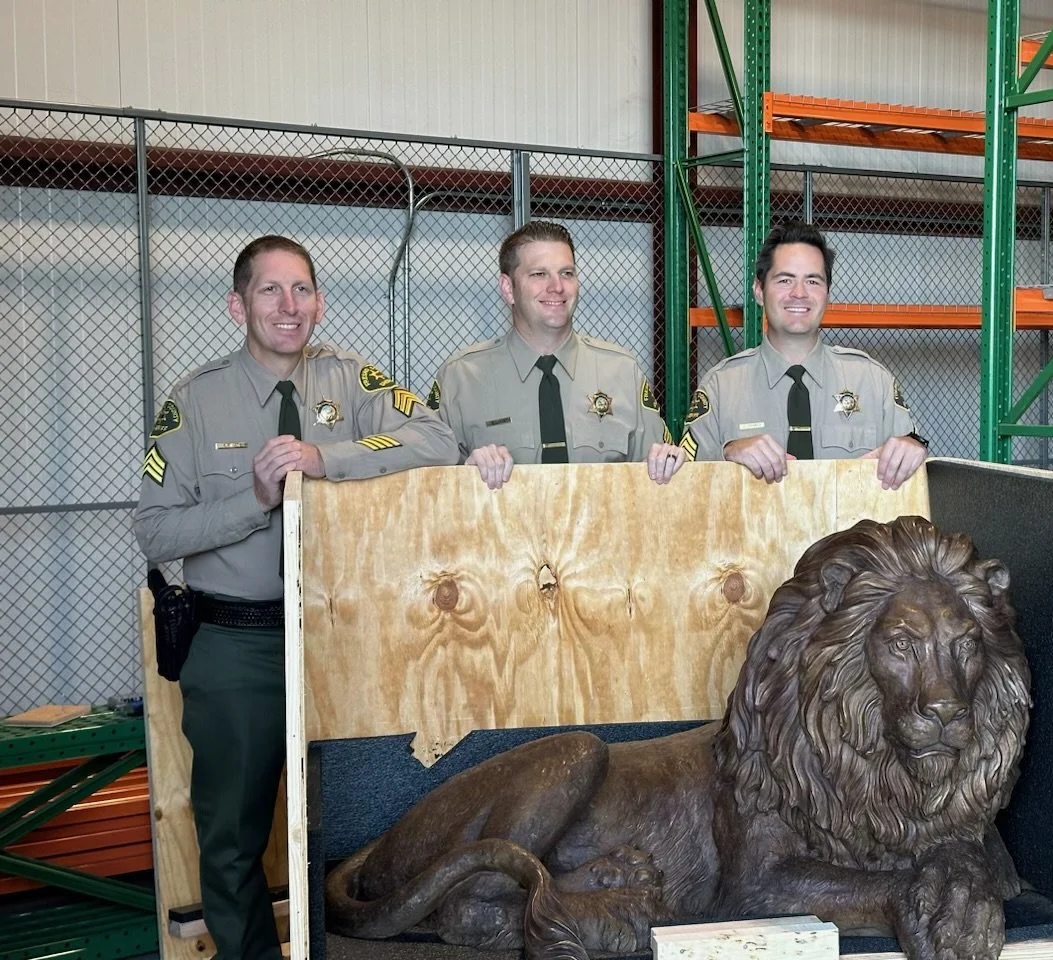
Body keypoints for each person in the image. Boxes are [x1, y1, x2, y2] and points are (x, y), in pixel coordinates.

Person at [134, 235, 458, 960]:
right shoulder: (195, 402)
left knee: (352, 824)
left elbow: (436, 438)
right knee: (230, 837)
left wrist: (325, 460)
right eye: (271, 291)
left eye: (302, 290)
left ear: (318, 301)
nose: (289, 306)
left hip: (339, 641)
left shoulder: (351, 381)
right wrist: (255, 499)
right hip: (236, 646)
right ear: (237, 304)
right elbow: (154, 532)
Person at [428, 221, 684, 489]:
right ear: (508, 288)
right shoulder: (460, 379)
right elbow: (429, 489)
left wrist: (668, 464)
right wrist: (464, 476)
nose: (557, 287)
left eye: (567, 273)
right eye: (539, 274)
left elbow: (658, 480)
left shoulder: (621, 371)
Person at [680, 221, 928, 490]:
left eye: (812, 280)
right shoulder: (720, 387)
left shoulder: (872, 382)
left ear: (827, 293)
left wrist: (913, 448)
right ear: (759, 291)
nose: (799, 293)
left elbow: (914, 475)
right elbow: (686, 487)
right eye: (785, 280)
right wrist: (726, 455)